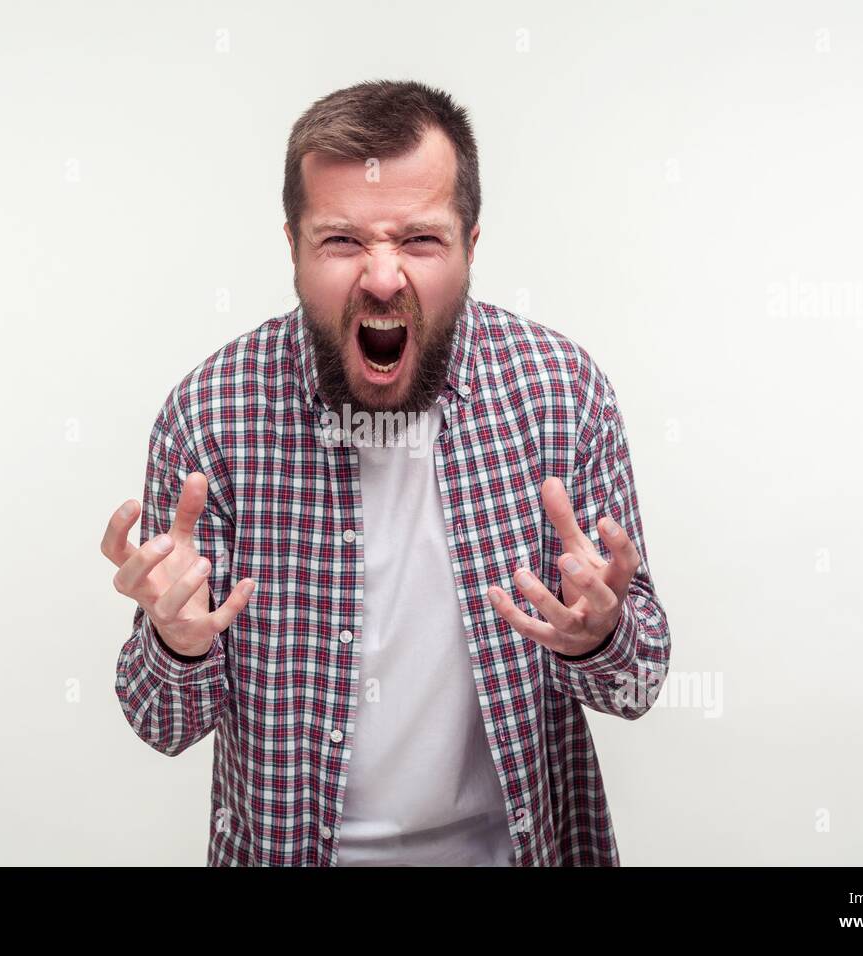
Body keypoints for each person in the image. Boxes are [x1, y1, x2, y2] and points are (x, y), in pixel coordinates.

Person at [103, 79, 671, 866]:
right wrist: (176, 642)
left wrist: (598, 638)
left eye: (419, 240)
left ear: (472, 245)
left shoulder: (561, 393)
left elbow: (639, 688)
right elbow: (160, 724)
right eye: (341, 240)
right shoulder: (210, 415)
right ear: (294, 247)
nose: (380, 277)